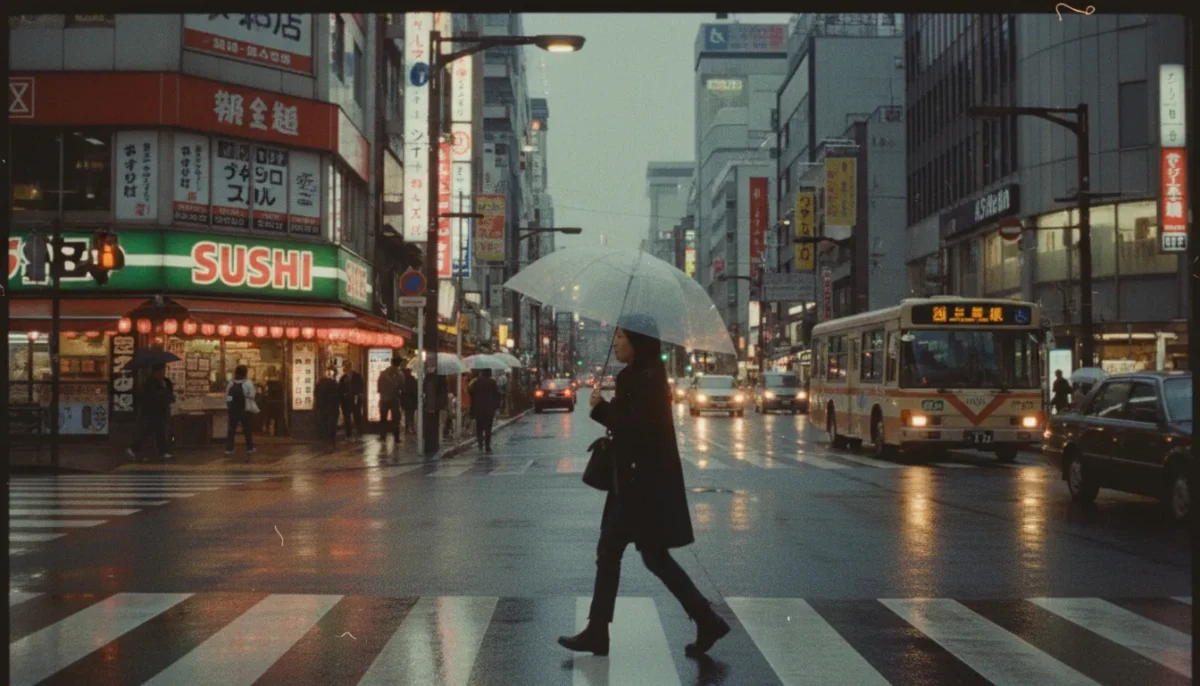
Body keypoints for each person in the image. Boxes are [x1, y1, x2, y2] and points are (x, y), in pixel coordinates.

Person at [558, 314, 729, 658]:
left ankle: (703, 620)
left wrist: (601, 410)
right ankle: (602, 630)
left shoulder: (648, 379)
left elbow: (637, 431)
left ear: (637, 341)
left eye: (621, 336)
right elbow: (627, 423)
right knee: (630, 555)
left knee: (638, 556)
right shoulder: (633, 376)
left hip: (643, 487)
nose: (616, 343)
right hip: (631, 483)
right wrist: (606, 408)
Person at [127, 364, 174, 461]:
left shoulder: (162, 382)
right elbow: (153, 397)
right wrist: (164, 393)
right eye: (162, 371)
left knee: (156, 431)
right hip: (152, 412)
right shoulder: (150, 383)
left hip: (156, 412)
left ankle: (161, 451)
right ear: (156, 372)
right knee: (152, 431)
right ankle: (135, 448)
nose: (163, 373)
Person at [225, 365, 257, 455]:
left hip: (233, 410)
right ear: (245, 373)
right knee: (247, 429)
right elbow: (252, 396)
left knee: (231, 430)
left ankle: (229, 449)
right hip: (245, 409)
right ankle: (249, 448)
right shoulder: (248, 383)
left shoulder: (231, 383)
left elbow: (228, 396)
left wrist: (229, 405)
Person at [470, 368, 502, 453]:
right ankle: (487, 446)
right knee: (488, 429)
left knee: (479, 428)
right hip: (489, 410)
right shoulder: (492, 382)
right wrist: (496, 407)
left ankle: (480, 444)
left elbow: (471, 393)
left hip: (478, 408)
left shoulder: (476, 382)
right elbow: (497, 395)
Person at [378, 356, 404, 441]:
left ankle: (383, 436)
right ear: (399, 363)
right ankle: (396, 437)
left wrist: (383, 392)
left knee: (383, 418)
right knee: (395, 419)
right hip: (394, 399)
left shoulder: (384, 373)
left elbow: (379, 386)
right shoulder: (399, 374)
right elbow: (402, 386)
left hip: (384, 398)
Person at [339, 360, 365, 440]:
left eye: (346, 366)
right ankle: (349, 434)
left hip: (355, 398)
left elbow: (361, 386)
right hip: (346, 400)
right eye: (344, 366)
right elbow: (340, 389)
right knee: (347, 418)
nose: (345, 368)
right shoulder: (343, 378)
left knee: (357, 416)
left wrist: (359, 394)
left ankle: (359, 432)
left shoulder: (357, 376)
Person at [315, 366, 341, 442]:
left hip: (323, 407)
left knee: (323, 421)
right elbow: (339, 396)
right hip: (332, 407)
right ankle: (330, 437)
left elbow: (316, 394)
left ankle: (323, 437)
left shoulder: (320, 383)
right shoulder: (334, 384)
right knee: (331, 423)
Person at [400, 367, 419, 435]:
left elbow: (402, 390)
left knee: (408, 414)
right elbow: (415, 390)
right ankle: (411, 428)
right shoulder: (412, 380)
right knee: (410, 414)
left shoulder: (404, 380)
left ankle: (408, 428)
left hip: (407, 400)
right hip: (411, 400)